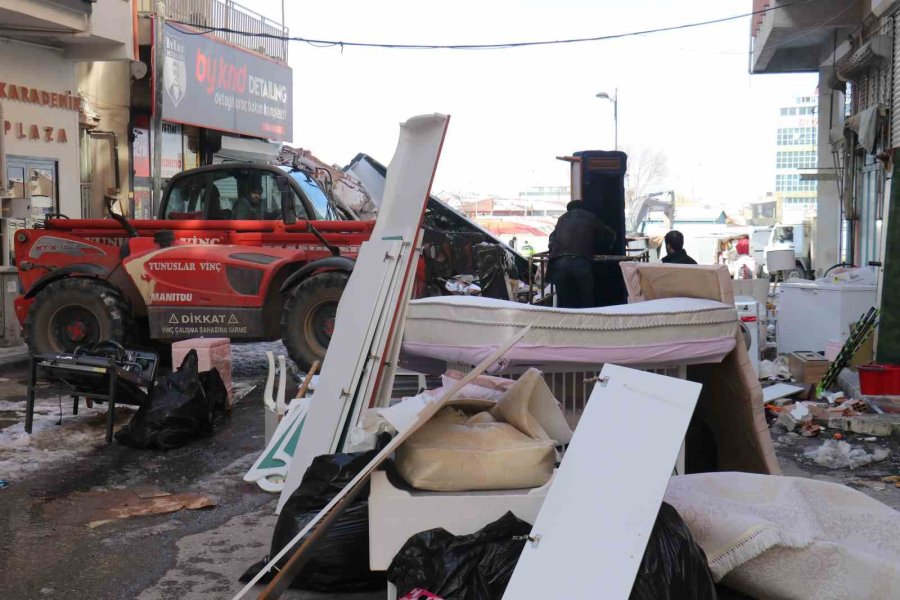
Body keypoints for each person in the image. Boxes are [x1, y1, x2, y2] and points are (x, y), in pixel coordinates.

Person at [547, 200, 617, 308]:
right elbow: (610, 235)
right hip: (580, 262)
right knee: (585, 301)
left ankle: (564, 324)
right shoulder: (591, 217)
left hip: (558, 264)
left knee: (563, 303)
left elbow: (552, 238)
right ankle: (586, 324)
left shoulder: (562, 218)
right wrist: (606, 248)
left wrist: (552, 249)